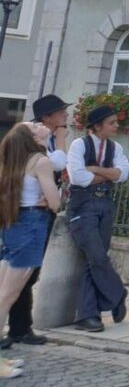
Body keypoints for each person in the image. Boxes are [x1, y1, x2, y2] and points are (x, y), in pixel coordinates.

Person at [2, 94, 69, 348]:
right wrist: (61, 140)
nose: (65, 115)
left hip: (25, 215)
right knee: (15, 284)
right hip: (29, 216)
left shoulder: (32, 143)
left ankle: (20, 327)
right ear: (46, 118)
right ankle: (18, 329)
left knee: (21, 279)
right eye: (60, 111)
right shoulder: (35, 145)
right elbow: (56, 166)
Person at [0, 123, 62, 379]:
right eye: (33, 125)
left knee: (3, 294)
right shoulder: (39, 161)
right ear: (32, 138)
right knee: (6, 297)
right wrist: (51, 198)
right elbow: (56, 203)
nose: (39, 125)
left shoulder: (11, 162)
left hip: (12, 225)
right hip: (30, 226)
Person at [66, 105, 129, 332]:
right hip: (83, 205)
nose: (116, 126)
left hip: (105, 204)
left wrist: (95, 169)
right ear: (97, 125)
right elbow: (77, 177)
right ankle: (117, 293)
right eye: (111, 122)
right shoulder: (79, 145)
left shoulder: (115, 147)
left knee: (94, 260)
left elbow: (123, 174)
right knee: (96, 256)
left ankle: (88, 315)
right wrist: (107, 174)